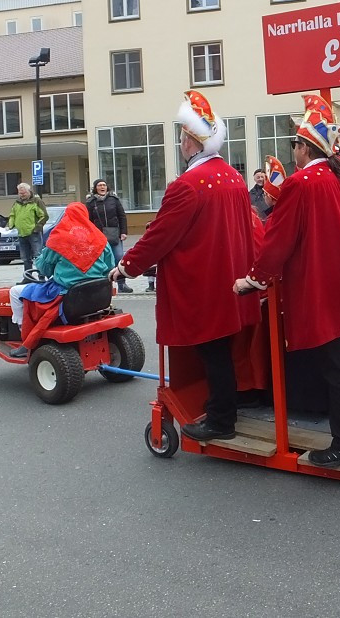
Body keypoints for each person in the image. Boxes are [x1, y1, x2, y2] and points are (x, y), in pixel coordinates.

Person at [235, 94, 340, 468]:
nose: (293, 152)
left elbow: (278, 241)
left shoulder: (301, 183)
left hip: (324, 288)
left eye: (294, 145)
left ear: (304, 147)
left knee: (337, 370)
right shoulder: (339, 178)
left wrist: (254, 279)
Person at [114, 91, 260, 443]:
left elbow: (160, 235)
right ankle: (224, 406)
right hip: (231, 278)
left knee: (212, 352)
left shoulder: (188, 185)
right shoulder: (234, 177)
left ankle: (221, 419)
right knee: (223, 349)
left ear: (192, 141)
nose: (180, 143)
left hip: (203, 284)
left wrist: (127, 267)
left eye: (182, 136)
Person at [9, 202, 115, 356]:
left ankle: (22, 333)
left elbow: (44, 269)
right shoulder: (100, 238)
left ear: (67, 216)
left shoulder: (59, 238)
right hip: (96, 292)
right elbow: (109, 266)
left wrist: (41, 259)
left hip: (67, 293)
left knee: (14, 292)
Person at [85, 179, 132, 293]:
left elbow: (122, 216)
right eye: (100, 185)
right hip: (99, 236)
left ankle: (121, 284)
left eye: (104, 185)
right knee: (104, 261)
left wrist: (123, 232)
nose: (102, 187)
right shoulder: (91, 202)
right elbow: (88, 220)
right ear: (95, 188)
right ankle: (106, 286)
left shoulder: (114, 200)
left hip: (115, 233)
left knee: (119, 257)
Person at [8, 183, 48, 271]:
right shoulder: (16, 203)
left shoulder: (37, 201)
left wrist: (37, 228)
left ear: (29, 191)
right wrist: (10, 226)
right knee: (25, 258)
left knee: (38, 256)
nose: (22, 195)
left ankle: (41, 277)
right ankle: (27, 277)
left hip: (34, 234)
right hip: (21, 234)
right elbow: (12, 215)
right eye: (20, 193)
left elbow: (44, 216)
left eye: (24, 193)